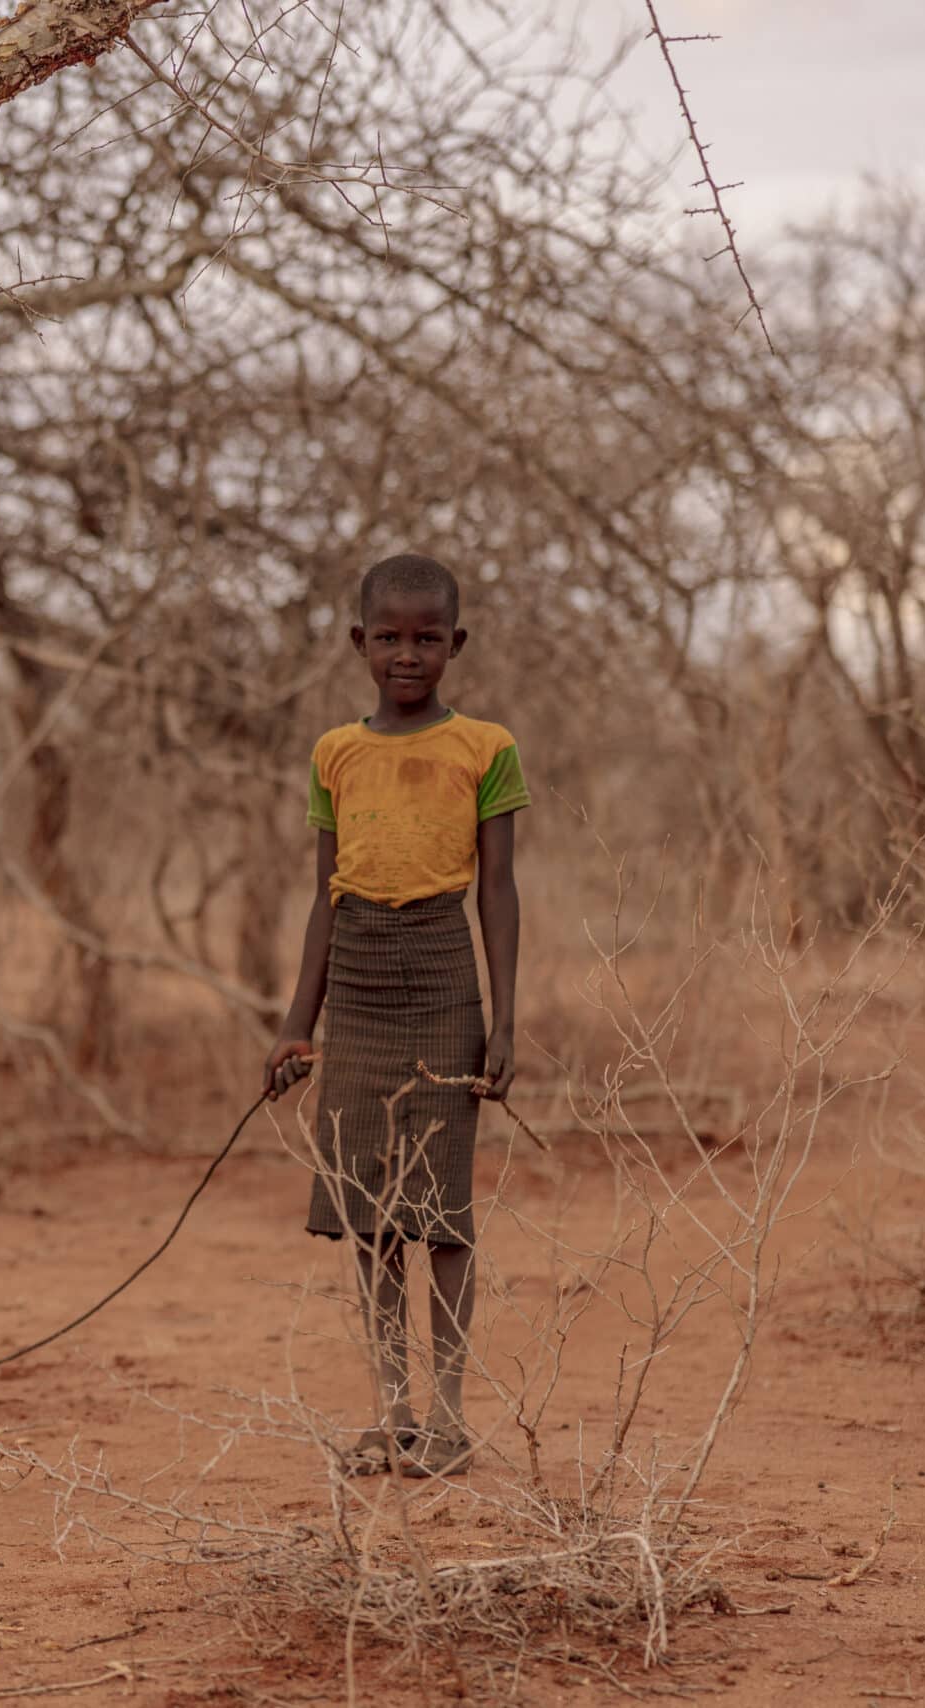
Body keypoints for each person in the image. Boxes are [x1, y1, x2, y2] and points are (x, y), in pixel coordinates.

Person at [262, 554, 527, 1479]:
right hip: (361, 988)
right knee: (371, 1217)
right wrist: (299, 1025)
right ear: (357, 644)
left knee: (443, 1213)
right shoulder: (336, 752)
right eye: (388, 637)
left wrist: (503, 1020)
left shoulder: (485, 747)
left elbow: (497, 889)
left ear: (455, 645)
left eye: (425, 639)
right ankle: (392, 1413)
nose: (405, 655)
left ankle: (449, 1420)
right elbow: (325, 895)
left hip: (445, 978)